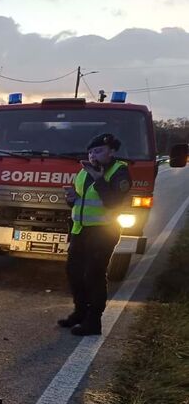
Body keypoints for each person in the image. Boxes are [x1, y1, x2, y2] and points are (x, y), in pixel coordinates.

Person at [59, 133, 132, 336]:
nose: (93, 156)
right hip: (80, 230)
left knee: (94, 275)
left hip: (103, 232)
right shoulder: (84, 172)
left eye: (98, 151)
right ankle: (80, 313)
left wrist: (99, 178)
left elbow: (113, 202)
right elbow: (79, 200)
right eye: (90, 152)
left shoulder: (119, 172)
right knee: (74, 273)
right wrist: (71, 198)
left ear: (112, 151)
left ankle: (94, 322)